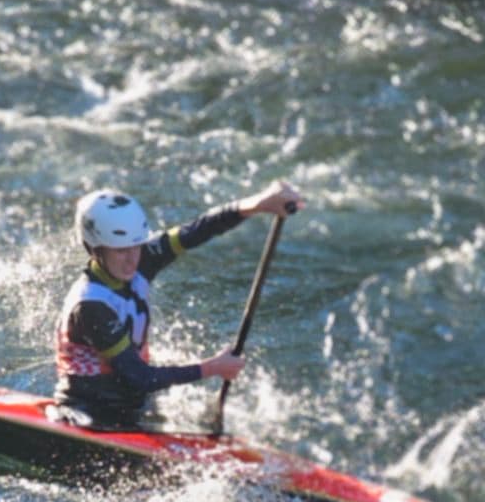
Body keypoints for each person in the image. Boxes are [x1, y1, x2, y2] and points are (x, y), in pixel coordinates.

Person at [51, 179, 303, 431]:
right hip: (88, 414)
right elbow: (140, 377)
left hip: (132, 406)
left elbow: (197, 231)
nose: (131, 260)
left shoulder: (142, 259)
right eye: (120, 251)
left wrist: (257, 204)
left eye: (136, 246)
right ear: (94, 249)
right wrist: (212, 367)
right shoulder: (90, 306)